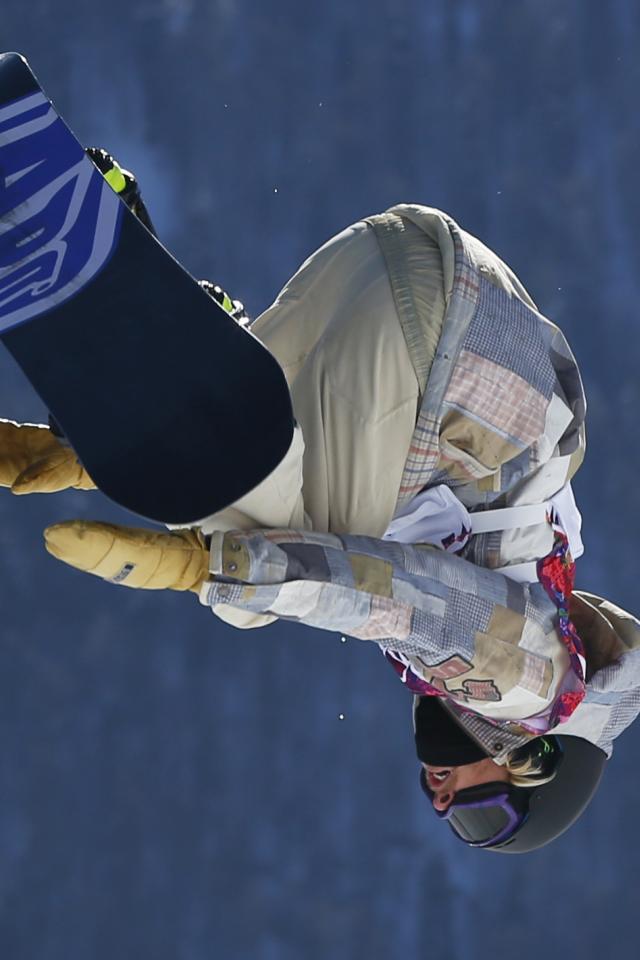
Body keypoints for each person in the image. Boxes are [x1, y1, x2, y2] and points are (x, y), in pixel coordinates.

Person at [2, 151, 638, 853]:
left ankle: (186, 339)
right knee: (260, 568)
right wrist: (209, 572)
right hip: (439, 347)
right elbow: (399, 594)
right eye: (481, 816)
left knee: (273, 488)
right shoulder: (541, 692)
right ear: (536, 765)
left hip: (396, 267)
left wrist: (99, 463)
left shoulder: (537, 572)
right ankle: (157, 364)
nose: (441, 800)